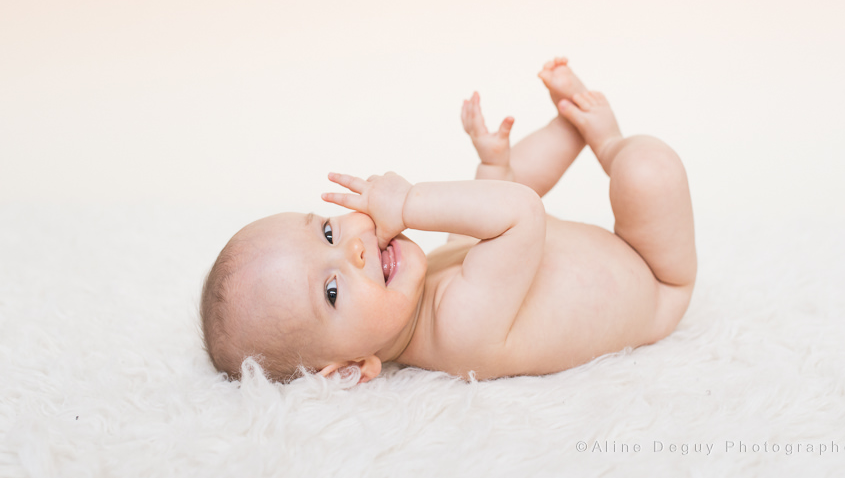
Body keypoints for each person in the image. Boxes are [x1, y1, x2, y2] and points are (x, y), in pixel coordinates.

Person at [199, 57, 697, 383]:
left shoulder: (431, 273)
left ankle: (574, 119)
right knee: (647, 169)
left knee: (510, 181)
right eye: (332, 290)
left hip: (613, 246)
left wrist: (494, 165)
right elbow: (520, 213)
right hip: (658, 280)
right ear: (350, 370)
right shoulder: (459, 331)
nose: (352, 249)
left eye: (328, 232)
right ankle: (606, 140)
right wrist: (411, 201)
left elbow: (497, 206)